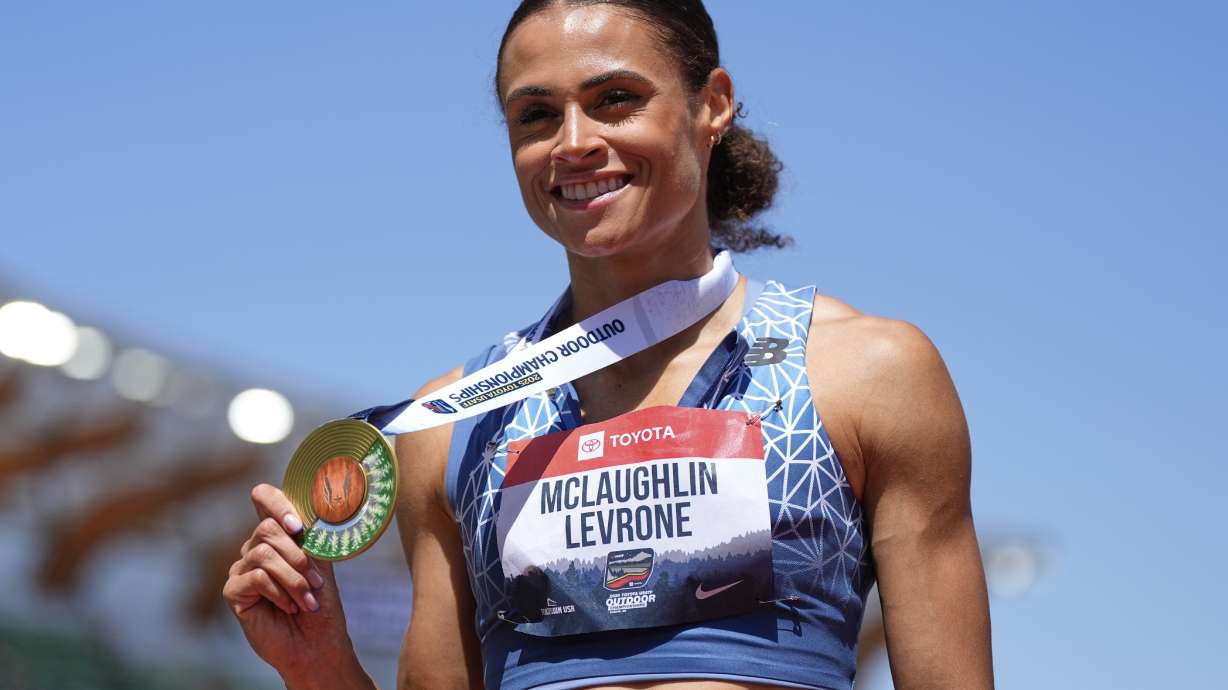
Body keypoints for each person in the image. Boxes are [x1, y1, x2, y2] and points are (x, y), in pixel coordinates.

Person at [222, 1, 994, 688]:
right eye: (535, 116)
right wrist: (317, 666)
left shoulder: (866, 372)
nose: (574, 142)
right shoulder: (455, 424)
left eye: (615, 100)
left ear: (712, 105)